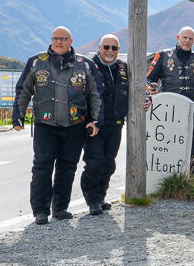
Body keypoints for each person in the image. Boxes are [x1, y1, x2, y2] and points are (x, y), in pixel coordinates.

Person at [13, 26, 101, 225]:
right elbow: (23, 90)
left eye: (63, 39)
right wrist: (18, 117)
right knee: (42, 167)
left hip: (74, 125)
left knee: (67, 168)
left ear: (71, 41)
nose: (59, 42)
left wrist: (95, 120)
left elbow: (95, 95)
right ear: (51, 40)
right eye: (55, 38)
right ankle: (40, 211)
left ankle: (60, 208)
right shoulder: (36, 62)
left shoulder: (84, 65)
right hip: (45, 125)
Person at [146, 26, 194, 174]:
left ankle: (191, 180)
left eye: (190, 39)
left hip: (193, 110)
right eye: (184, 37)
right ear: (178, 38)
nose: (187, 41)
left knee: (193, 143)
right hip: (168, 110)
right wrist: (150, 87)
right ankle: (166, 177)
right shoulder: (163, 56)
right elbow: (149, 78)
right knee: (167, 143)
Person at [80, 34, 128, 215]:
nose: (110, 51)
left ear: (118, 50)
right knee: (94, 163)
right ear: (99, 48)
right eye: (106, 47)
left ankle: (101, 197)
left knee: (109, 163)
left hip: (115, 123)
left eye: (114, 48)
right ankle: (92, 201)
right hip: (94, 125)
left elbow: (134, 89)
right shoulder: (89, 67)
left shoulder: (123, 68)